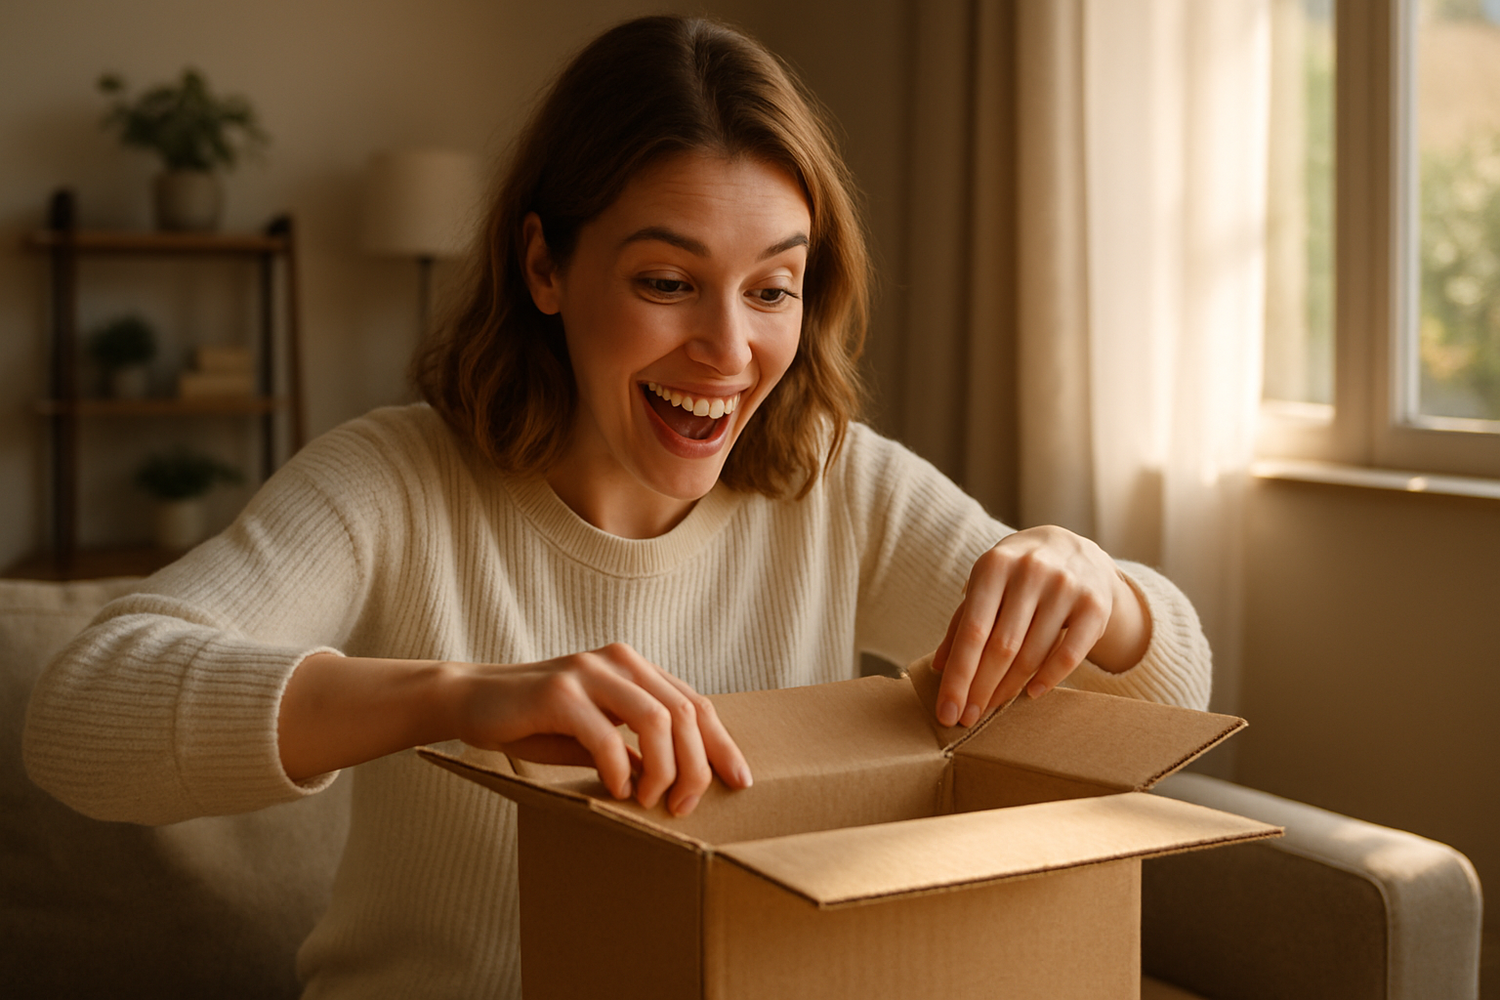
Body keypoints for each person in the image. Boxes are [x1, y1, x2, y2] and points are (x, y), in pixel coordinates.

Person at [24, 14, 1211, 998]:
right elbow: (79, 717)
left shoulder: (832, 482)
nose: (732, 350)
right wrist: (460, 698)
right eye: (666, 282)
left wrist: (1095, 589)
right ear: (545, 266)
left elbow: (1168, 692)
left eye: (773, 289)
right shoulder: (392, 483)